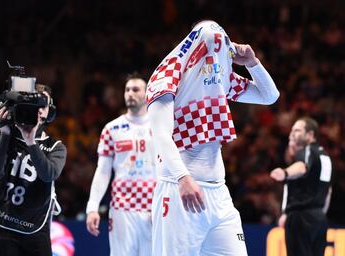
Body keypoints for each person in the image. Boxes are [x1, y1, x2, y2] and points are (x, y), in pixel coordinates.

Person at [146, 20, 279, 255]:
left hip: (219, 194)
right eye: (211, 45)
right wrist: (183, 178)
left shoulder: (220, 80)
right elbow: (161, 136)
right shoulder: (166, 78)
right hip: (180, 191)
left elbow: (269, 96)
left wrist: (252, 63)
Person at [0, 84, 67, 256]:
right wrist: (4, 135)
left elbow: (48, 174)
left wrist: (31, 142)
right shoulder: (4, 135)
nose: (39, 109)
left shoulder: (55, 146)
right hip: (3, 222)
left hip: (35, 226)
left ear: (50, 112)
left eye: (44, 105)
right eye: (34, 104)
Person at [86, 74, 157, 256]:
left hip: (155, 207)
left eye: (135, 89)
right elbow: (102, 171)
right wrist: (92, 207)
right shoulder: (112, 129)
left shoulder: (161, 126)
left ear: (147, 93)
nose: (130, 94)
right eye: (127, 90)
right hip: (122, 208)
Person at [270, 117, 332, 256]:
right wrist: (319, 214)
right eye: (292, 130)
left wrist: (285, 173)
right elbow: (328, 191)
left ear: (310, 135)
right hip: (319, 218)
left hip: (301, 217)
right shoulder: (325, 156)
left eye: (297, 130)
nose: (292, 133)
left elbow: (303, 167)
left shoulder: (308, 150)